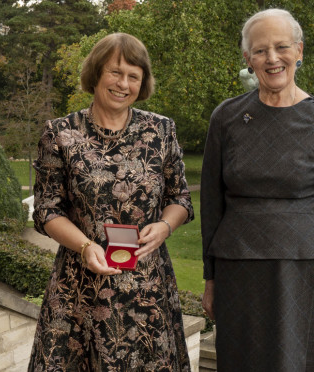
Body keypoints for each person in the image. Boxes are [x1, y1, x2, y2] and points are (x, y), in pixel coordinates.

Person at [200, 8, 314, 372]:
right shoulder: (225, 117)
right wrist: (210, 278)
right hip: (240, 271)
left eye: (282, 47)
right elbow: (211, 204)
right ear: (247, 59)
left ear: (299, 51)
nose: (272, 58)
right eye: (260, 50)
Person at [28, 32, 194, 372]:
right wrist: (86, 245)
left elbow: (180, 198)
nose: (123, 83)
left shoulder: (161, 130)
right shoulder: (60, 133)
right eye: (115, 72)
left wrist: (165, 226)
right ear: (96, 74)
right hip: (80, 285)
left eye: (134, 76)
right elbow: (47, 209)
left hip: (148, 286)